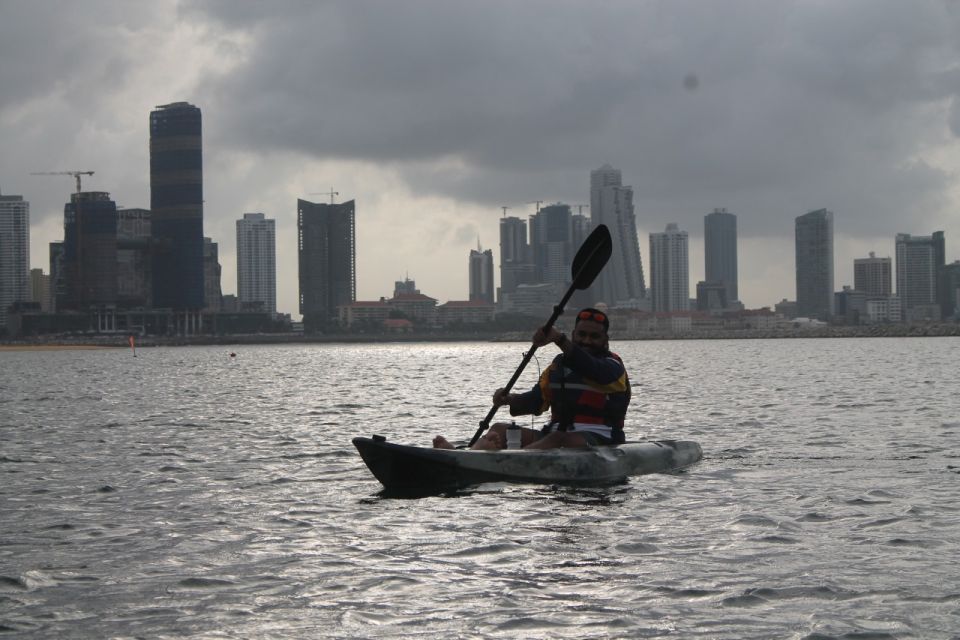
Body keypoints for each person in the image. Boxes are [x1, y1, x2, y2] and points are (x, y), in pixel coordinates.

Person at [433, 308, 630, 450]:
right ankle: (470, 453)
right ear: (574, 335)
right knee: (499, 430)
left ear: (605, 340)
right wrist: (508, 399)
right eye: (582, 335)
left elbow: (592, 368)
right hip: (553, 436)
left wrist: (559, 339)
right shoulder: (557, 366)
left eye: (594, 336)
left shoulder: (613, 367)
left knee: (558, 439)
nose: (587, 341)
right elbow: (536, 402)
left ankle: (507, 460)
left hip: (601, 438)